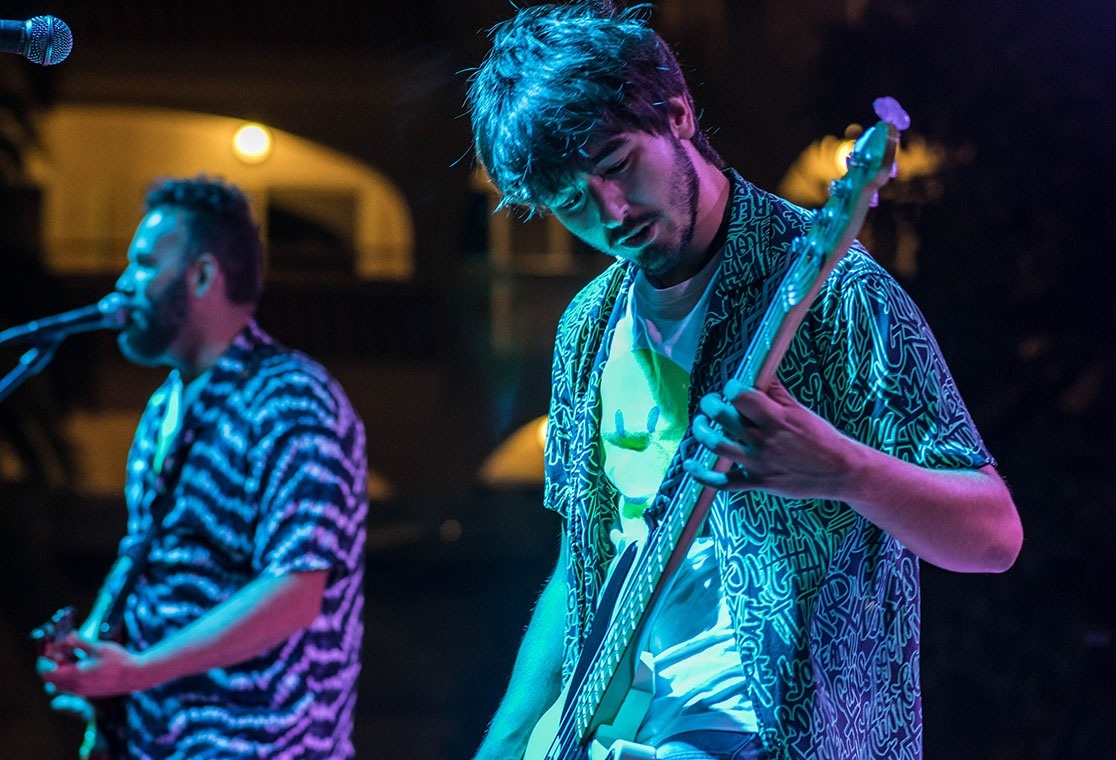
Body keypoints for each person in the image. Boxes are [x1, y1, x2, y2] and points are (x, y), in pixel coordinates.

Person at [466, 3, 1023, 759]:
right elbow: (579, 569)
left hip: (781, 735)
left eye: (616, 164)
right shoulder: (587, 330)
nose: (612, 213)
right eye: (572, 203)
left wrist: (844, 471)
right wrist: (502, 743)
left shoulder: (835, 290)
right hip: (615, 734)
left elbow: (994, 535)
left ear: (677, 113)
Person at [36, 175, 368, 759]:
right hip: (153, 737)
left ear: (203, 275)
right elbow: (151, 552)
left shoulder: (292, 399)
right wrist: (94, 649)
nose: (123, 284)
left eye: (143, 264)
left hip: (256, 742)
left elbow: (295, 589)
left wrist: (138, 669)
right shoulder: (165, 404)